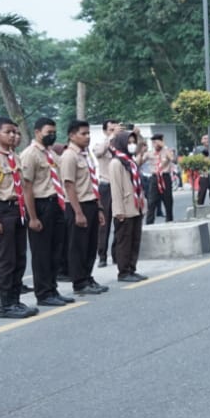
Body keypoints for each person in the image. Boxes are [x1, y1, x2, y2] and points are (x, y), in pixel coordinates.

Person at [0, 118, 37, 320]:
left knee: (19, 258)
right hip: (3, 211)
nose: (12, 135)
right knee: (6, 260)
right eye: (7, 132)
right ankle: (5, 304)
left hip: (17, 210)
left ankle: (15, 299)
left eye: (14, 132)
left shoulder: (14, 157)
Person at [20, 117, 73, 308]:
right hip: (41, 205)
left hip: (56, 204)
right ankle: (43, 293)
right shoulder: (30, 154)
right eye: (48, 132)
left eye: (53, 132)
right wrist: (32, 217)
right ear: (37, 132)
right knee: (42, 253)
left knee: (55, 251)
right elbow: (26, 187)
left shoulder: (51, 153)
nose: (52, 135)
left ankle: (52, 289)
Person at [58, 120, 107, 296]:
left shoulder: (85, 155)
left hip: (91, 203)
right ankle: (79, 282)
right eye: (83, 134)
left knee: (90, 245)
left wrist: (99, 208)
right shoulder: (69, 156)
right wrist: (78, 212)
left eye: (88, 134)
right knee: (78, 246)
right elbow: (69, 185)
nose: (87, 137)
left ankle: (87, 276)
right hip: (77, 205)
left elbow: (92, 182)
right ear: (72, 135)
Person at [106, 131, 147, 282]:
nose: (132, 145)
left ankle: (132, 268)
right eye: (129, 142)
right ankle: (123, 272)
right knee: (124, 241)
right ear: (122, 143)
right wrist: (118, 211)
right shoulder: (116, 163)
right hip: (125, 209)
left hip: (136, 207)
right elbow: (115, 189)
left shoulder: (130, 161)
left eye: (133, 142)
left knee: (135, 240)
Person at [95, 119, 120, 266]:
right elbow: (98, 153)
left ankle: (117, 254)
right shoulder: (101, 144)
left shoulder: (121, 145)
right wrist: (110, 138)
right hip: (106, 186)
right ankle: (102, 255)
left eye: (115, 129)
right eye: (111, 129)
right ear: (105, 131)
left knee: (120, 221)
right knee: (104, 223)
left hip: (120, 187)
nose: (114, 132)